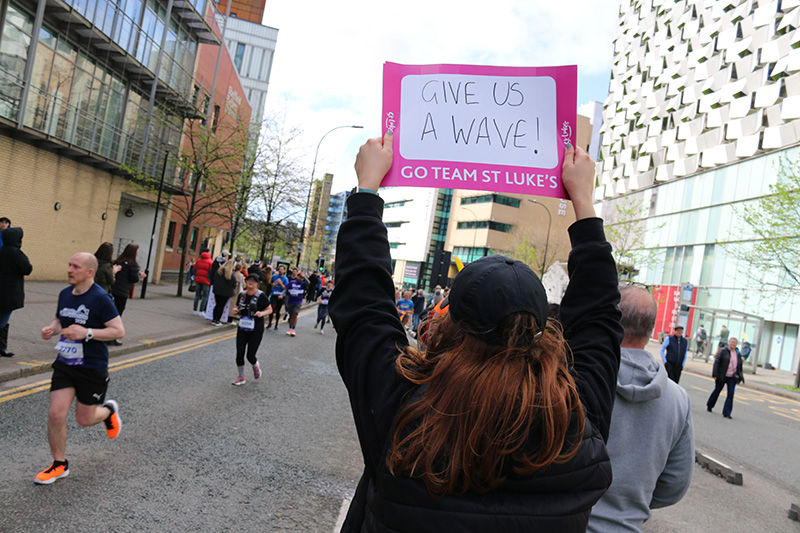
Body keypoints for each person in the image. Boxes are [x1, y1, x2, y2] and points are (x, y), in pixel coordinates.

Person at [329, 134, 623, 530]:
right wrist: (583, 203)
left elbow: (364, 305)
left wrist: (367, 191)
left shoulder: (404, 407)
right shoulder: (573, 419)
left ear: (450, 322)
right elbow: (599, 320)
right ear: (540, 331)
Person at [587, 285, 694, 532]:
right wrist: (632, 504)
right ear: (651, 329)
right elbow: (675, 483)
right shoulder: (678, 399)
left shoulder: (580, 377)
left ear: (610, 319)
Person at [36, 252, 125, 484]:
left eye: (75, 266)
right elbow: (60, 319)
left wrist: (87, 333)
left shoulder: (101, 298)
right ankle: (59, 464)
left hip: (92, 367)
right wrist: (51, 328)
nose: (69, 270)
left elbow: (118, 331)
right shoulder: (65, 294)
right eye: (69, 265)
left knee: (84, 420)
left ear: (89, 272)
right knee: (56, 413)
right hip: (66, 363)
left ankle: (108, 412)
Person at [229, 275, 272, 385]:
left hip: (256, 329)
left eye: (253, 280)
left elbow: (269, 309)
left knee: (250, 355)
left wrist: (261, 313)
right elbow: (239, 307)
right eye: (249, 280)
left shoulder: (261, 296)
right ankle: (241, 376)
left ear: (257, 283)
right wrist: (236, 310)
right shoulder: (242, 295)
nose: (250, 282)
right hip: (243, 327)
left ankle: (255, 365)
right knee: (239, 353)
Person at [0, 227, 33, 358]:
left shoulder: (1, 251)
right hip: (11, 292)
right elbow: (27, 269)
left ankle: (2, 347)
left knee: (3, 318)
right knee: (3, 319)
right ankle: (2, 348)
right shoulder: (17, 253)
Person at [109, 243, 145, 345]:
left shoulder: (118, 261)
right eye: (137, 251)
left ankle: (106, 335)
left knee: (110, 314)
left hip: (113, 290)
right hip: (122, 292)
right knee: (117, 315)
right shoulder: (133, 264)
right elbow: (134, 278)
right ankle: (112, 338)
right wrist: (140, 276)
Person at [706, 337, 744, 419]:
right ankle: (710, 405)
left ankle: (727, 413)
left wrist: (740, 378)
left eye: (734, 343)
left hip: (732, 377)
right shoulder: (723, 351)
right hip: (722, 375)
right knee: (717, 391)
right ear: (729, 343)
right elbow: (717, 362)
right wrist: (715, 374)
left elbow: (740, 366)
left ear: (736, 345)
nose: (733, 344)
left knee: (731, 394)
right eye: (732, 342)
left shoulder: (737, 353)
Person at [210, 258, 237, 326]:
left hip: (217, 291)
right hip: (226, 292)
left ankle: (214, 319)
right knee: (221, 306)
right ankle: (218, 320)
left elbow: (214, 280)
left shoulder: (219, 271)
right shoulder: (230, 274)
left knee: (217, 305)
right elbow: (234, 284)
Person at [285, 270, 307, 336]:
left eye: (302, 278)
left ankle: (293, 329)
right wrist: (281, 295)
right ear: (297, 277)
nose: (300, 279)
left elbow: (309, 283)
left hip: (298, 301)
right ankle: (290, 328)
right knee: (291, 315)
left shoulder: (303, 284)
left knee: (295, 314)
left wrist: (304, 276)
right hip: (291, 300)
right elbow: (286, 289)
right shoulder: (292, 282)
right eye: (299, 277)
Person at [192, 250, 213, 315]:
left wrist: (196, 276)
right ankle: (201, 311)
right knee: (205, 296)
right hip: (206, 281)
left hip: (198, 280)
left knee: (197, 295)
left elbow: (194, 269)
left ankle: (194, 310)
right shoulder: (210, 262)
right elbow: (211, 272)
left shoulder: (198, 261)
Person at [267, 266, 288, 330]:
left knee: (278, 310)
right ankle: (270, 323)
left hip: (280, 296)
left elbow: (285, 288)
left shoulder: (285, 279)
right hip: (274, 294)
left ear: (284, 271)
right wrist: (272, 284)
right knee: (272, 308)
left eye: (282, 269)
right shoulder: (274, 276)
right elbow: (270, 282)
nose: (280, 270)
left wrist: (280, 283)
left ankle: (276, 323)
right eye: (279, 269)